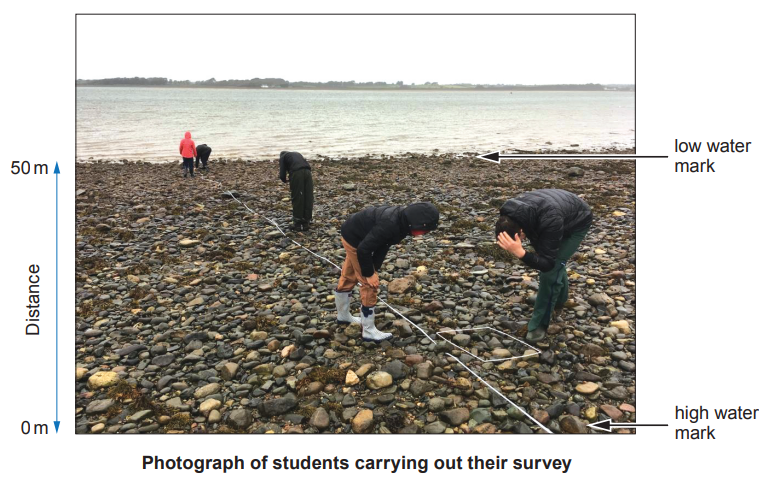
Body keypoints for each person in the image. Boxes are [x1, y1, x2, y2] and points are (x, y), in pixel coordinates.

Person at [495, 189, 593, 343]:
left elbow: (547, 264)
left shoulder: (549, 220)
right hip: (555, 212)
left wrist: (521, 253)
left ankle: (539, 324)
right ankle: (560, 300)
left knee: (550, 271)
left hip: (578, 219)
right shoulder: (512, 215)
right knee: (555, 262)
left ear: (520, 231)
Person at [335, 203, 439, 342]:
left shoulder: (402, 223)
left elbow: (383, 244)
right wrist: (369, 274)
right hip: (355, 238)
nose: (425, 234)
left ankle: (343, 316)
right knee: (369, 285)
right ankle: (369, 331)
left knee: (349, 275)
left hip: (357, 234)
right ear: (418, 224)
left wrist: (374, 268)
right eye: (426, 231)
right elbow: (364, 249)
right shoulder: (391, 224)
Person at [279, 151, 314, 231]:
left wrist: (285, 180)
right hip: (308, 172)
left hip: (297, 173)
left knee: (298, 196)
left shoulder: (283, 157)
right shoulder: (297, 154)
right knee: (308, 196)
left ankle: (297, 223)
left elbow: (282, 174)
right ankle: (306, 221)